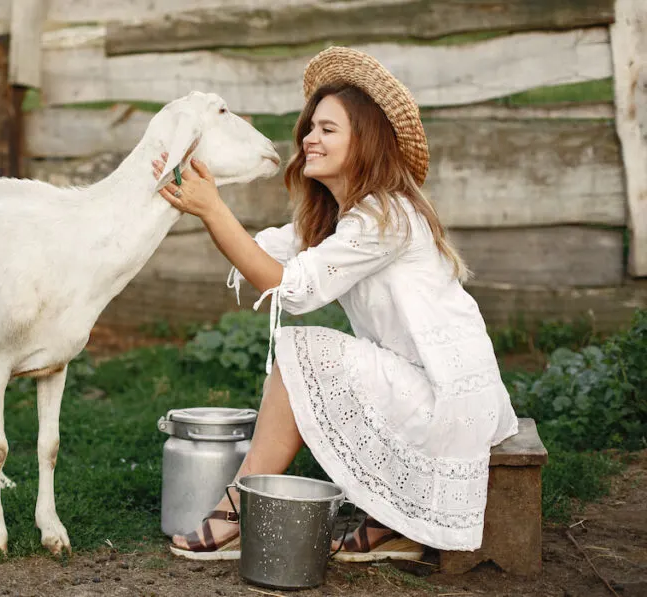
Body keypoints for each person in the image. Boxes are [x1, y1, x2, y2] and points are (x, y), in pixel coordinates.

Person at [152, 46, 520, 562]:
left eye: (328, 129)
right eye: (310, 128)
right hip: (424, 382)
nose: (309, 139)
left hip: (447, 397)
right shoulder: (346, 218)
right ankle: (382, 526)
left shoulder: (383, 218)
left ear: (363, 142)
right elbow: (268, 254)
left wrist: (214, 212)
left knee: (303, 351)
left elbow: (290, 289)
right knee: (305, 355)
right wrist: (210, 203)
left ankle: (237, 505)